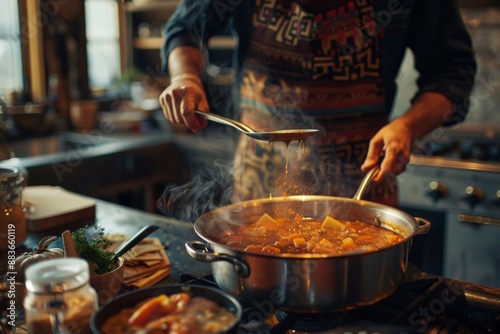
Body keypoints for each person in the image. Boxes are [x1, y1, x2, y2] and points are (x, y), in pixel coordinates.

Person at [158, 0, 476, 207]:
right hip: (258, 187)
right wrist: (185, 76)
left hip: (362, 186)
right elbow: (185, 28)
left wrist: (408, 126)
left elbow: (452, 72)